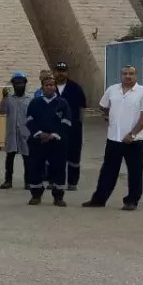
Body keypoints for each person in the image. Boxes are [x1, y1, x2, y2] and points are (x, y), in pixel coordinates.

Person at [84, 65, 143, 211]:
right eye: (125, 73)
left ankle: (131, 201)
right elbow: (103, 106)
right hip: (113, 139)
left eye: (131, 74)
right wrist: (110, 116)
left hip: (134, 140)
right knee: (107, 171)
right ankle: (99, 199)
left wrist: (133, 134)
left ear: (136, 75)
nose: (128, 76)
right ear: (121, 75)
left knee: (134, 172)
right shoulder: (112, 90)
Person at [25, 75, 71, 207]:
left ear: (55, 87)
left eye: (52, 85)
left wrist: (53, 135)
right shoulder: (35, 102)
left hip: (58, 142)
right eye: (47, 85)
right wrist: (40, 134)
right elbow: (29, 120)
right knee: (35, 167)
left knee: (58, 168)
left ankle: (58, 197)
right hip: (38, 141)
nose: (49, 87)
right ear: (42, 87)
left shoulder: (62, 103)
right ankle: (36, 195)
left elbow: (67, 121)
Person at [52, 62, 88, 191]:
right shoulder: (49, 87)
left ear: (67, 72)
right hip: (54, 127)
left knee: (73, 154)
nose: (60, 74)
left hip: (73, 128)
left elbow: (82, 108)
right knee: (54, 154)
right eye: (58, 71)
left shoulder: (75, 88)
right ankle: (54, 180)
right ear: (54, 72)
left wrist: (79, 123)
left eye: (63, 71)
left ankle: (72, 182)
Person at [0, 72, 31, 189]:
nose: (19, 85)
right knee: (10, 157)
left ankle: (28, 181)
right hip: (12, 131)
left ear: (25, 83)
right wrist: (4, 98)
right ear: (13, 84)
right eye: (16, 83)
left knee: (27, 157)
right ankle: (8, 181)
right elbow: (1, 111)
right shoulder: (9, 99)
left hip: (25, 131)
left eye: (21, 83)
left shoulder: (30, 99)